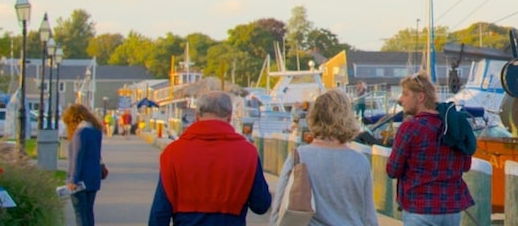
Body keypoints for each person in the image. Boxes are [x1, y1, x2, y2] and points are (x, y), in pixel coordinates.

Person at [150, 91, 270, 225]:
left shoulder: (173, 153)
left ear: (197, 116)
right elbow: (261, 205)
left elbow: (159, 213)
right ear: (230, 117)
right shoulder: (248, 153)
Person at [278, 89, 376, 226]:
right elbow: (369, 216)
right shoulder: (361, 162)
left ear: (315, 117)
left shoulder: (299, 156)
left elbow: (279, 207)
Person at [386, 74, 473, 226]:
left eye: (405, 94)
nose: (401, 99)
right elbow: (465, 166)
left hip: (419, 207)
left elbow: (393, 170)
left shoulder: (410, 128)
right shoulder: (453, 125)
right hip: (451, 208)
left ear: (420, 97)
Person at [64, 103, 107, 226]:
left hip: (81, 179)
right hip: (94, 177)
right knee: (88, 211)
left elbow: (77, 158)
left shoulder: (80, 133)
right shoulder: (96, 131)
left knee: (80, 212)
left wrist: (73, 179)